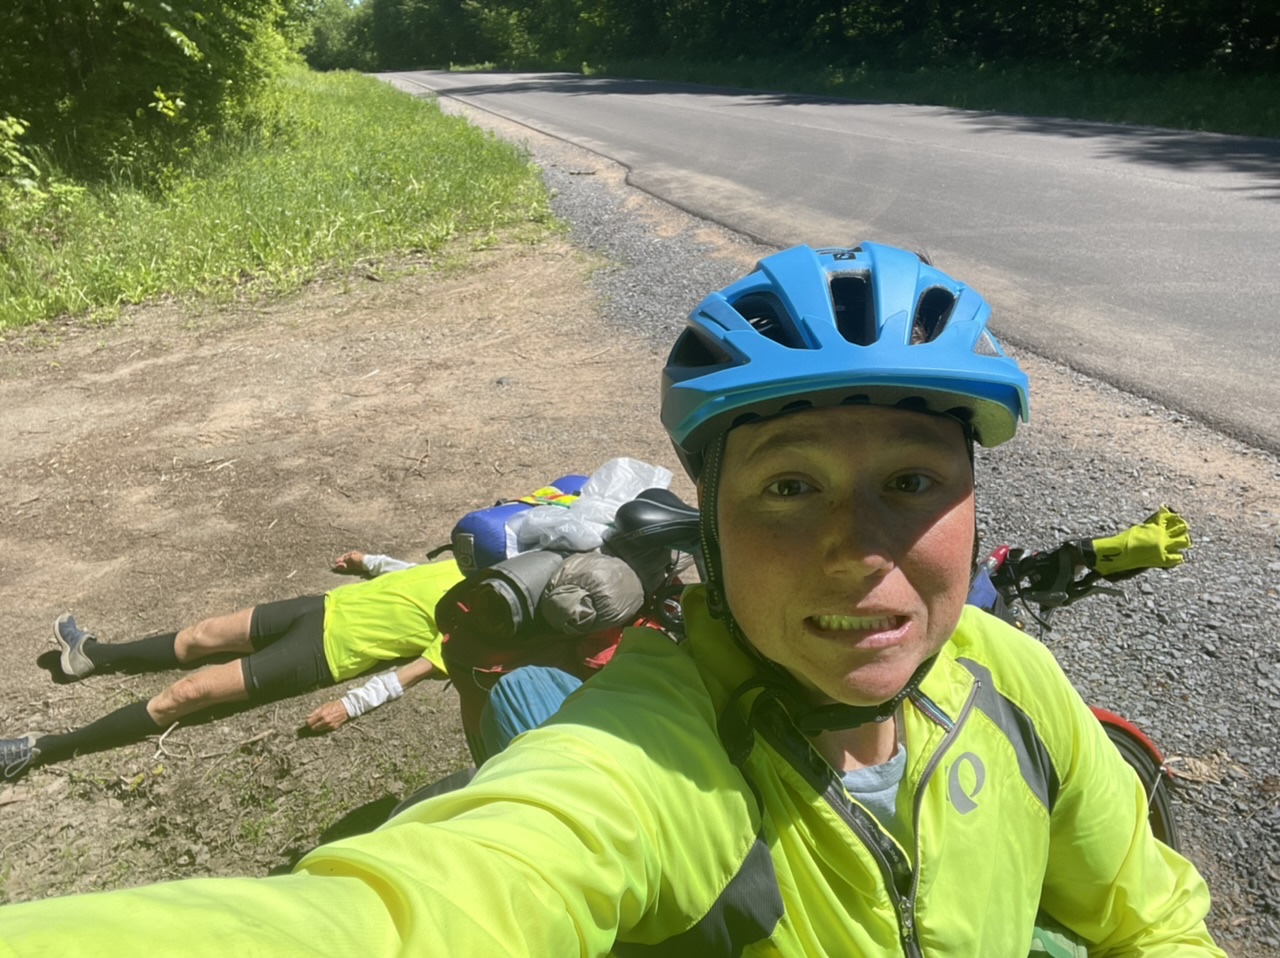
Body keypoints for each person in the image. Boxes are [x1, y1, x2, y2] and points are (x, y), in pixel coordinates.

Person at [0, 242, 1224, 956]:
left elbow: (1152, 918)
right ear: (706, 511)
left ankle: (75, 692)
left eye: (911, 481)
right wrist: (380, 681)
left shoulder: (1019, 688)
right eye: (789, 487)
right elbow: (421, 907)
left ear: (969, 500)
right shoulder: (642, 758)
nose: (861, 549)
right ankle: (79, 687)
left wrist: (383, 678)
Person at [0, 551, 464, 780]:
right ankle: (91, 656)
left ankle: (42, 748)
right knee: (202, 635)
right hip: (321, 606)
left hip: (325, 655)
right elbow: (409, 572)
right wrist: (371, 560)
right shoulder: (472, 560)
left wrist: (350, 705)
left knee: (185, 695)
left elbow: (414, 671)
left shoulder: (479, 619)